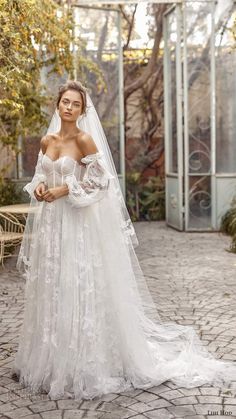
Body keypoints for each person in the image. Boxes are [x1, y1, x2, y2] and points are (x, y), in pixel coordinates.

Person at [12, 80, 236, 401]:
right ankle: (48, 359)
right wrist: (39, 188)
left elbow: (103, 182)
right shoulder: (47, 140)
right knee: (52, 284)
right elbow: (38, 176)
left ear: (82, 109)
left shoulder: (84, 139)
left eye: (76, 103)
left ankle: (81, 363)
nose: (69, 107)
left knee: (76, 282)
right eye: (65, 102)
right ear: (57, 104)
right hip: (52, 225)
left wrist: (65, 190)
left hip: (76, 223)